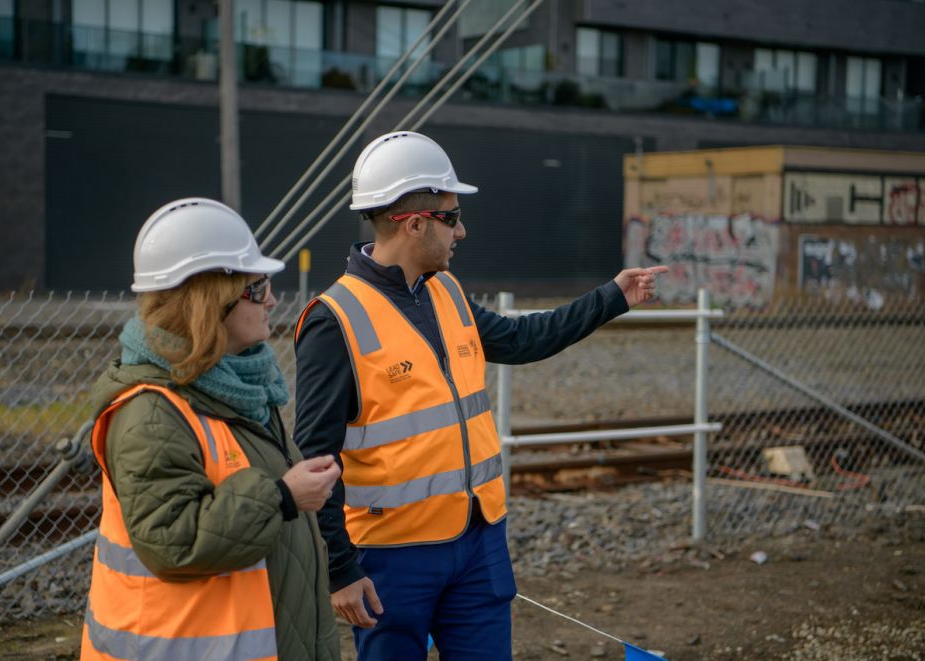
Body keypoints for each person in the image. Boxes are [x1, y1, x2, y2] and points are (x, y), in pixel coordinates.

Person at [293, 131, 668, 659]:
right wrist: (340, 570)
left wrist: (612, 297)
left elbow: (522, 339)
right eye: (452, 216)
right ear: (414, 222)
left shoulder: (445, 290)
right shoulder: (335, 320)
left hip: (479, 539)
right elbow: (315, 458)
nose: (461, 230)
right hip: (393, 555)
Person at [80, 197, 341, 661]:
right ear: (209, 302)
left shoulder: (236, 386)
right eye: (257, 288)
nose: (273, 300)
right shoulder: (151, 413)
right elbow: (173, 541)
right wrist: (283, 497)